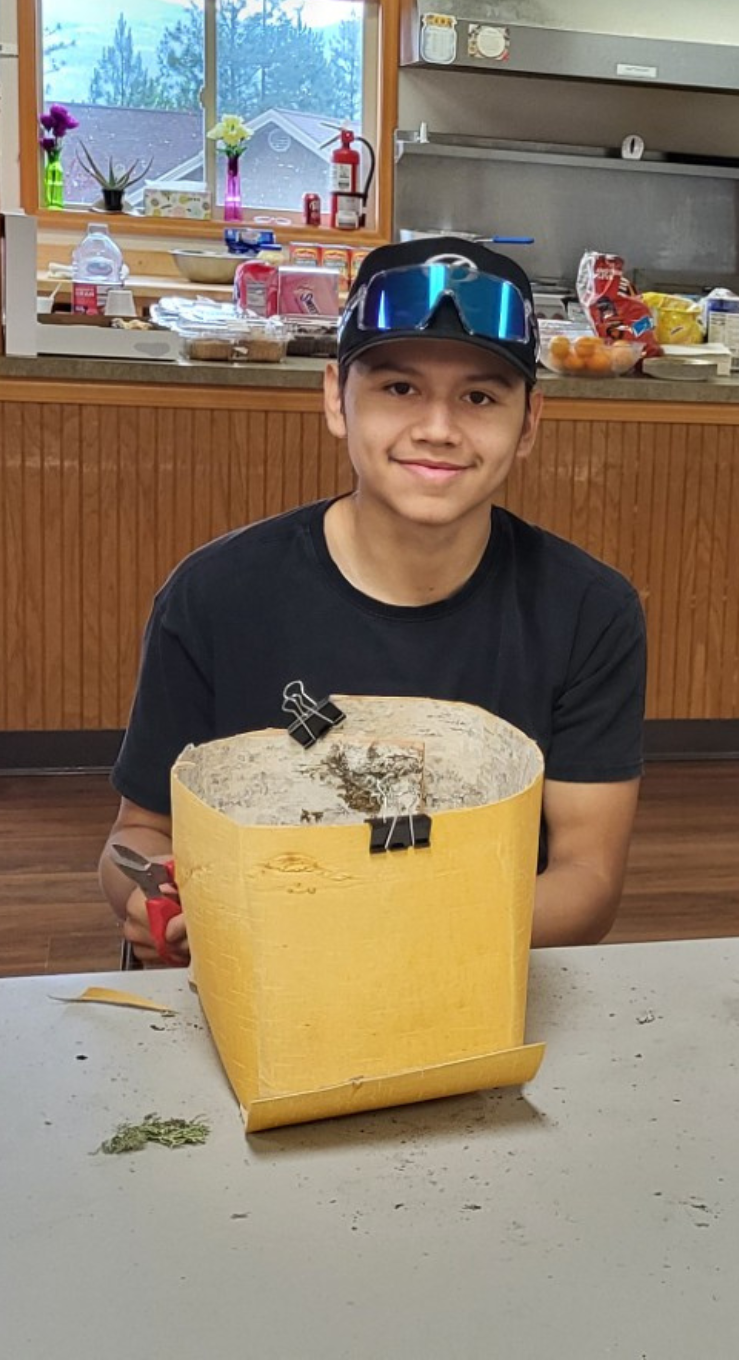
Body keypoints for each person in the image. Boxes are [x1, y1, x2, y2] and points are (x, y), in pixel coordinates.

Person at [101, 237, 647, 962]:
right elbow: (137, 835)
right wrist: (150, 896)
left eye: (480, 396)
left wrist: (365, 923)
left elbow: (588, 879)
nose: (438, 428)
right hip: (257, 983)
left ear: (530, 425)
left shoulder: (589, 613)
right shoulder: (214, 597)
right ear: (335, 398)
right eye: (399, 389)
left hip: (461, 983)